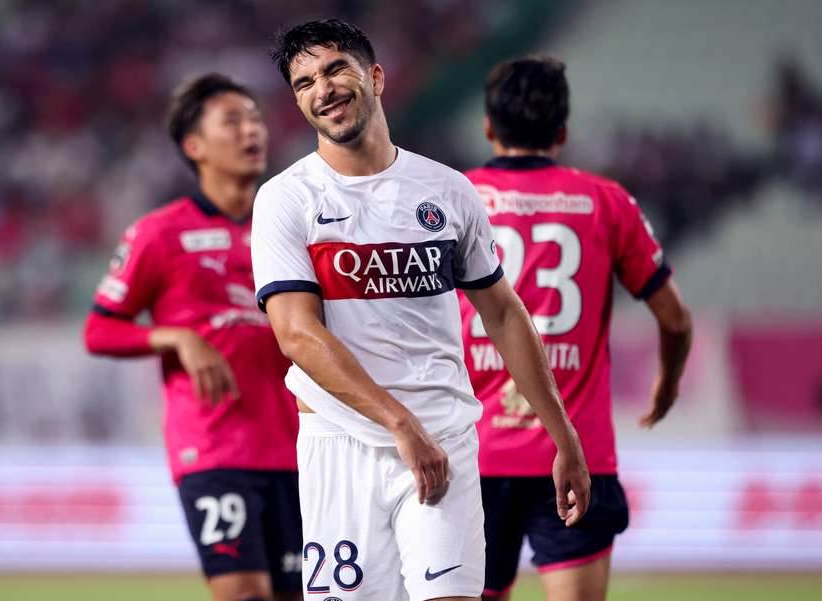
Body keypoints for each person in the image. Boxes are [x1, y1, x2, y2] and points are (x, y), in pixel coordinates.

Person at [251, 20, 590, 601]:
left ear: (375, 76)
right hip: (341, 445)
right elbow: (298, 335)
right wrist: (397, 425)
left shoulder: (448, 190)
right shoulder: (287, 198)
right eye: (304, 82)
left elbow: (504, 315)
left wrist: (565, 437)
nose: (323, 89)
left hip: (444, 438)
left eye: (335, 69)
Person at [458, 55, 693, 601]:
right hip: (574, 454)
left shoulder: (454, 197)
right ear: (563, 131)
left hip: (471, 452)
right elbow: (676, 320)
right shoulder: (606, 202)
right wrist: (669, 382)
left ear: (489, 127)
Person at [83, 74, 302, 601]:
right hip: (215, 448)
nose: (252, 130)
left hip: (301, 449)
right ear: (194, 146)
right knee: (244, 594)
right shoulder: (159, 233)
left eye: (255, 118)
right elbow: (99, 329)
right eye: (233, 120)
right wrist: (177, 338)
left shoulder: (294, 227)